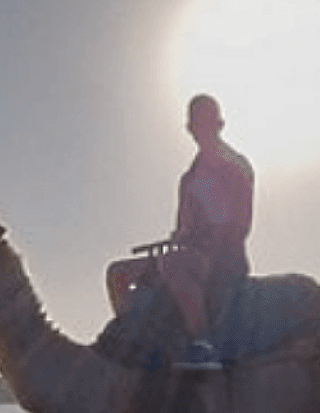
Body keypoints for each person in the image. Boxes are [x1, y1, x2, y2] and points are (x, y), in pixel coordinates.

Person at [106, 93, 254, 371]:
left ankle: (203, 343)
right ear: (190, 128)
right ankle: (131, 340)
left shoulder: (237, 167)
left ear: (219, 124)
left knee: (172, 264)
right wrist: (180, 235)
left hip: (225, 260)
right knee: (117, 273)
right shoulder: (188, 179)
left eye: (206, 121)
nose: (201, 129)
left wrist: (204, 239)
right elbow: (183, 226)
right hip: (189, 256)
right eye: (196, 122)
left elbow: (242, 224)